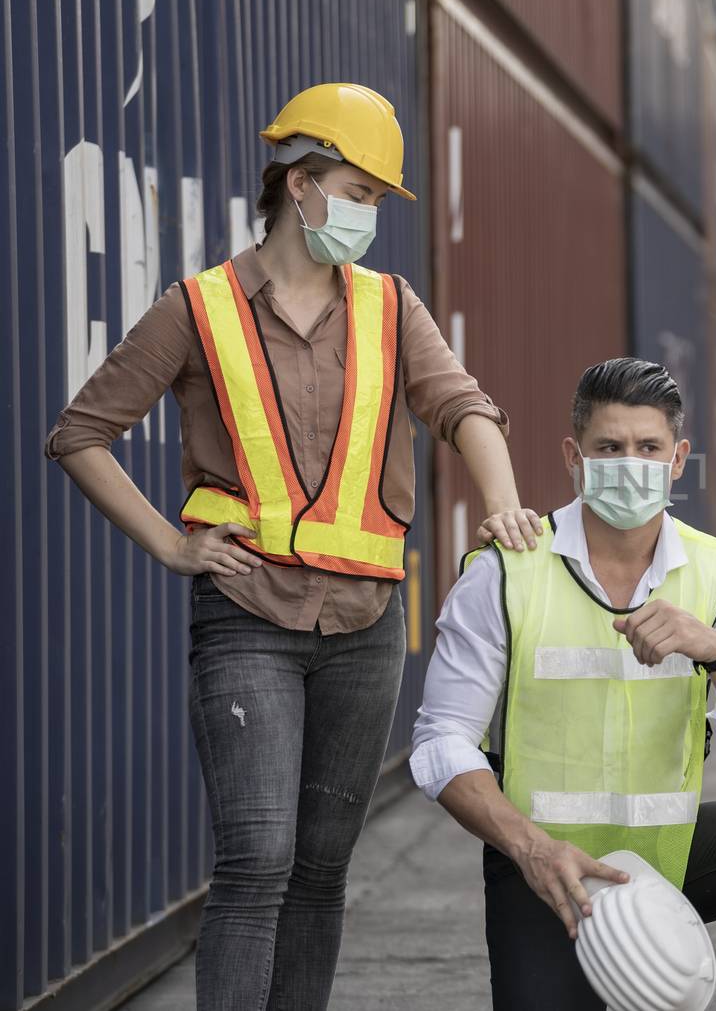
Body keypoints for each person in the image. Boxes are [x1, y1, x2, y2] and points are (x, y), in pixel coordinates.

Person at [46, 82, 540, 1009]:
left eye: (375, 202)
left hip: (365, 625)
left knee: (320, 866)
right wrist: (170, 543)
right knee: (258, 855)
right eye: (356, 192)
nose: (366, 215)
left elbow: (465, 407)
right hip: (247, 616)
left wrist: (503, 502)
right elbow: (80, 434)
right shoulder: (198, 309)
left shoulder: (393, 309)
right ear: (299, 183)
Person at [411, 357, 716, 1010]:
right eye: (609, 446)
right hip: (542, 867)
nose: (629, 462)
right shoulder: (506, 574)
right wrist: (532, 848)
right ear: (574, 456)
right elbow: (441, 742)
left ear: (678, 457)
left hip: (667, 854)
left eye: (648, 447)